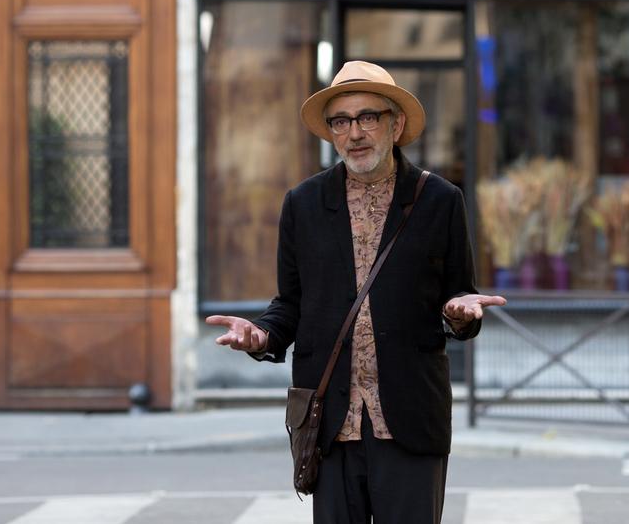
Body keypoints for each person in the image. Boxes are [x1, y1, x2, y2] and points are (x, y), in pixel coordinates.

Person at [205, 60, 506, 523]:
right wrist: (262, 335)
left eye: (368, 117)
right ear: (331, 133)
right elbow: (290, 304)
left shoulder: (441, 200)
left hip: (409, 419)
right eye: (341, 121)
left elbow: (458, 298)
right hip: (330, 424)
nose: (355, 133)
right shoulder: (303, 204)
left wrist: (460, 312)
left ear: (395, 123)